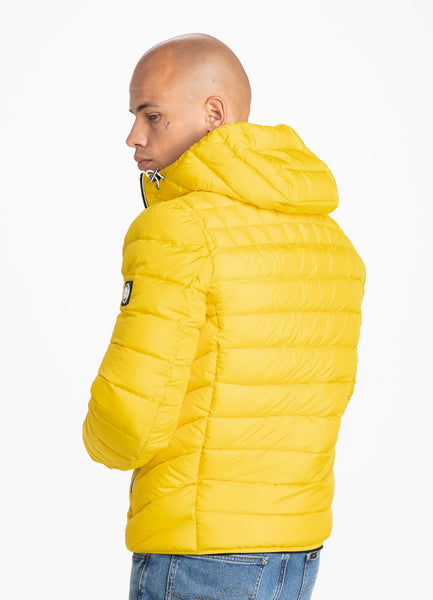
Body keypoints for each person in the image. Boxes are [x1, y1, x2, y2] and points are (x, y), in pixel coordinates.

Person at [83, 33, 366, 600]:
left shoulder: (178, 231)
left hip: (199, 550)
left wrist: (98, 439)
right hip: (296, 547)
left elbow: (129, 423)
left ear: (214, 113)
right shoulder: (330, 240)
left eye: (151, 115)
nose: (133, 136)